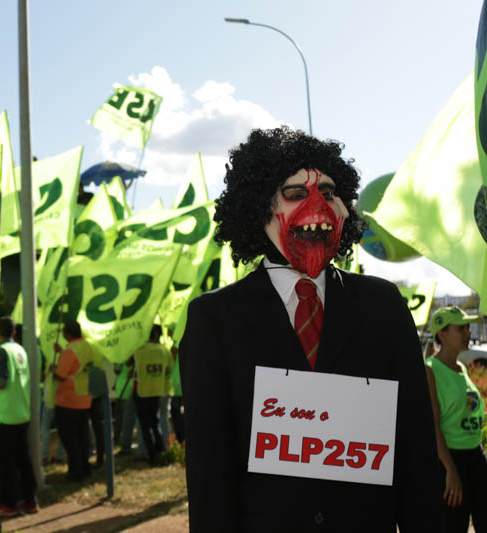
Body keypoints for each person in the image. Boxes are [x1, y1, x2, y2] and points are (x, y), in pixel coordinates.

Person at [180, 127, 441, 531]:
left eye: (331, 192)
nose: (319, 205)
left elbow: (415, 450)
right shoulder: (214, 320)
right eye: (296, 193)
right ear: (258, 208)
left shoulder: (384, 306)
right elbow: (209, 469)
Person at [425, 306, 487, 532]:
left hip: (476, 457)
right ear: (442, 334)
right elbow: (433, 425)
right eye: (461, 328)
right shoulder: (430, 370)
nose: (468, 333)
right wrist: (450, 470)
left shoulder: (462, 368)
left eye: (468, 328)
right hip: (451, 460)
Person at [0, 316, 39, 518]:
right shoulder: (20, 350)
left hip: (5, 415)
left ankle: (8, 505)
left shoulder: (1, 351)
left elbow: (1, 382)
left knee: (5, 464)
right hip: (21, 413)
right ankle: (30, 501)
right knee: (23, 461)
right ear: (14, 332)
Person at [49, 320, 95, 482]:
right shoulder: (87, 347)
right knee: (82, 437)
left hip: (68, 400)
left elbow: (61, 375)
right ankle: (85, 467)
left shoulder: (70, 351)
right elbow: (77, 366)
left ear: (67, 334)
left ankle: (76, 471)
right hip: (85, 398)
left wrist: (53, 369)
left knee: (70, 438)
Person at [131, 324, 173, 464]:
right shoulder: (165, 351)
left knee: (145, 426)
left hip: (142, 391)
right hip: (159, 390)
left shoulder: (140, 350)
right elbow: (169, 370)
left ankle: (152, 455)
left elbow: (129, 364)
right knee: (156, 423)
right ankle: (161, 451)